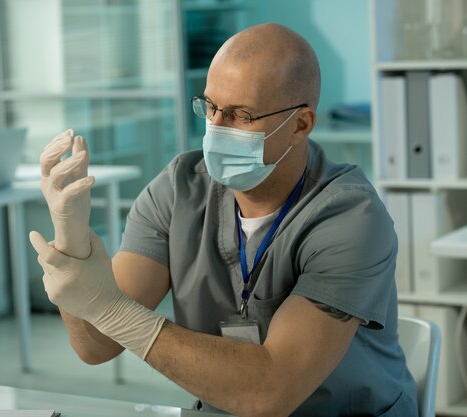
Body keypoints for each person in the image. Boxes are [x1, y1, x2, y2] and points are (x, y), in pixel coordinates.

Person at [29, 23, 418, 416]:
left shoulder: (350, 217)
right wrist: (73, 242)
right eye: (210, 107)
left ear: (300, 125)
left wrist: (114, 311)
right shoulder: (178, 191)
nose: (215, 128)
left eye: (239, 115)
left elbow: (269, 393)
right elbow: (96, 345)